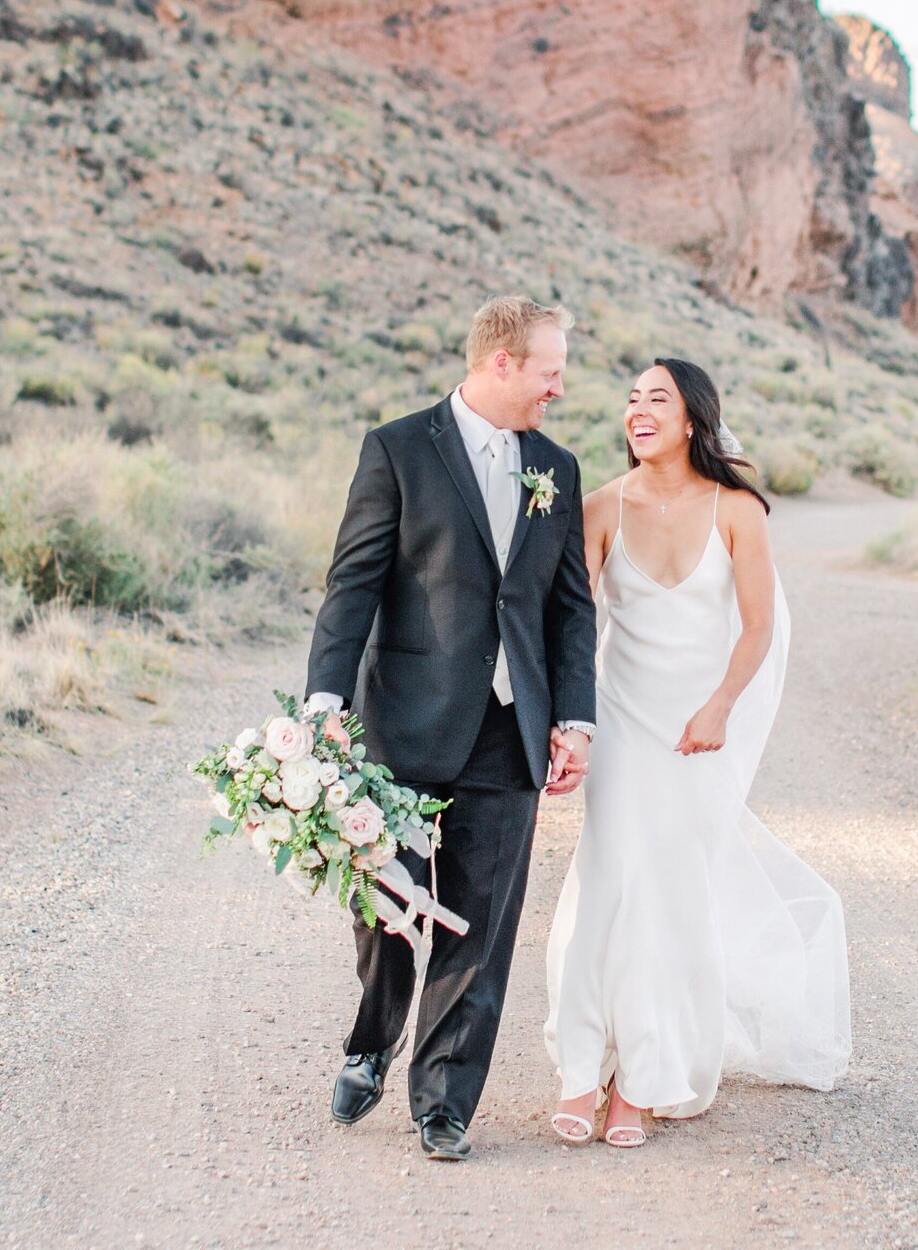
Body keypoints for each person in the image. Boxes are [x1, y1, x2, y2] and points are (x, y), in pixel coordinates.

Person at [305, 296, 596, 1160]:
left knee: (483, 921)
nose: (558, 389)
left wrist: (573, 716)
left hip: (510, 730)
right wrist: (325, 704)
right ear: (500, 363)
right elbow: (351, 586)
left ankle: (445, 1101)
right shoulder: (397, 448)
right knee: (386, 909)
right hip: (402, 722)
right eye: (550, 372)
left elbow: (569, 607)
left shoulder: (557, 467)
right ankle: (373, 1040)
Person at [545, 357, 850, 1147]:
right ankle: (583, 1068)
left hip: (698, 733)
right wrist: (568, 725)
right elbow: (575, 631)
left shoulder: (738, 510)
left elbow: (758, 627)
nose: (638, 410)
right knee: (610, 884)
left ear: (692, 420)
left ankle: (642, 1082)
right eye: (631, 399)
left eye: (658, 399)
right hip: (620, 721)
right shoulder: (601, 506)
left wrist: (719, 707)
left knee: (672, 897)